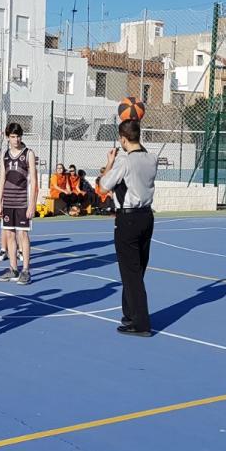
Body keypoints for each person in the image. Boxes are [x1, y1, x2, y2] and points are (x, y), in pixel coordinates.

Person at [98, 118, 157, 336]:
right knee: (138, 269)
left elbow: (103, 187)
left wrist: (110, 162)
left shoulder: (125, 161)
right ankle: (130, 314)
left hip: (128, 219)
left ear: (123, 139)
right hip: (147, 217)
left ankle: (141, 323)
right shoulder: (152, 158)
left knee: (130, 273)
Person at [0, 122, 37, 284]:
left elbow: (33, 180)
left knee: (23, 234)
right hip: (8, 201)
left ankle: (26, 270)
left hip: (22, 201)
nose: (16, 139)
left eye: (18, 136)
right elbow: (1, 179)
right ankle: (13, 268)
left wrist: (32, 204)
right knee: (9, 234)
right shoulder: (4, 155)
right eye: (13, 136)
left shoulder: (28, 154)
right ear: (8, 137)